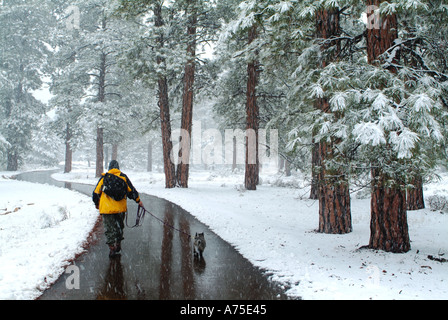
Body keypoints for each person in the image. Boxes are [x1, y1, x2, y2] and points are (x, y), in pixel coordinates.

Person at [93, 160, 144, 257]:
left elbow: (95, 193)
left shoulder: (104, 178)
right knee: (119, 227)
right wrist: (138, 201)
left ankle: (112, 248)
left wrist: (97, 203)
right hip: (120, 209)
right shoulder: (123, 177)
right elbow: (131, 191)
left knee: (109, 229)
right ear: (118, 167)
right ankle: (118, 244)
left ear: (109, 167)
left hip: (107, 210)